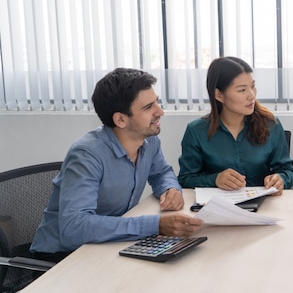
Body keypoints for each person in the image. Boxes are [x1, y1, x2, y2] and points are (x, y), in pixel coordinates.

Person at [30, 68, 203, 261]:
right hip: (62, 258)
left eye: (157, 102)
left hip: (108, 245)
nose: (160, 111)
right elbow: (74, 228)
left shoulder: (148, 140)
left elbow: (162, 172)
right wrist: (156, 225)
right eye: (148, 107)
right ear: (120, 119)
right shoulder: (87, 155)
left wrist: (169, 187)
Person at [178, 57, 293, 194]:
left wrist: (280, 179)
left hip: (263, 206)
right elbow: (185, 179)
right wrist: (215, 179)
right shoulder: (196, 131)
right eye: (242, 90)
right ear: (219, 95)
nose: (251, 96)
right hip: (217, 208)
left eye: (252, 86)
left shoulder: (271, 124)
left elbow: (288, 171)